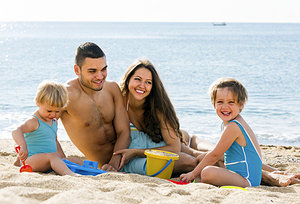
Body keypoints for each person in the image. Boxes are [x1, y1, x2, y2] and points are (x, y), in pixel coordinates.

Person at [114, 58, 201, 175]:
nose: (142, 86)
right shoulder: (117, 102)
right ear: (128, 79)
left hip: (156, 149)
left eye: (148, 82)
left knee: (193, 155)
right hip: (134, 157)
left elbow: (174, 147)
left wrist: (135, 152)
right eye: (137, 79)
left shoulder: (157, 106)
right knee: (190, 159)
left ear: (153, 86)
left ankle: (223, 163)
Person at [60, 42, 130, 171]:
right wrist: (61, 161)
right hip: (104, 165)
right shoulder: (65, 94)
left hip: (127, 154)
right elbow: (40, 124)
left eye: (103, 69)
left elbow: (124, 131)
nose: (100, 76)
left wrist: (115, 161)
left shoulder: (112, 89)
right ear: (77, 70)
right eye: (92, 71)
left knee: (177, 148)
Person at [12, 80, 78, 176]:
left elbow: (55, 141)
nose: (53, 114)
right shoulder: (34, 121)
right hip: (30, 161)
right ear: (38, 102)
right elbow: (16, 130)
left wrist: (63, 158)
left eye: (57, 111)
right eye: (49, 111)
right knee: (53, 156)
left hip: (48, 160)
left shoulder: (54, 122)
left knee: (73, 159)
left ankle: (95, 169)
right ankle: (70, 174)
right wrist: (23, 146)